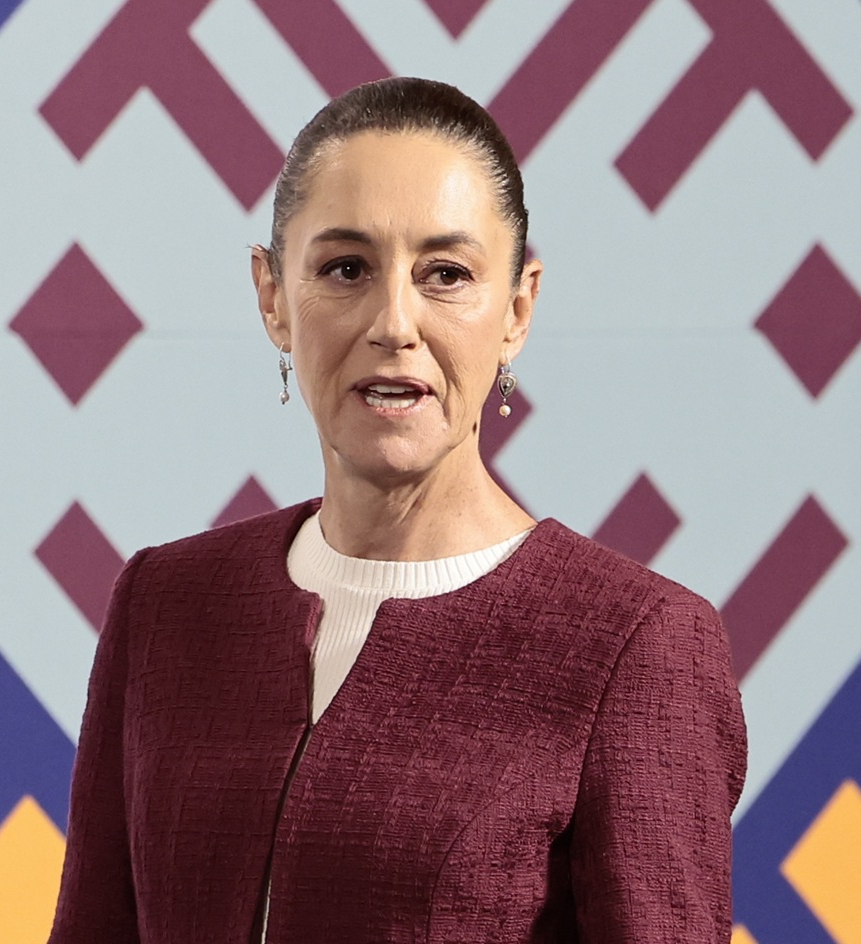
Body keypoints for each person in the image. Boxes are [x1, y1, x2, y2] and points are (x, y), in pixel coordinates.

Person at [47, 77, 747, 943]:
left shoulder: (636, 643)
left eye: (445, 274)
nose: (394, 322)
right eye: (345, 268)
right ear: (271, 296)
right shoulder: (165, 604)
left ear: (518, 307)